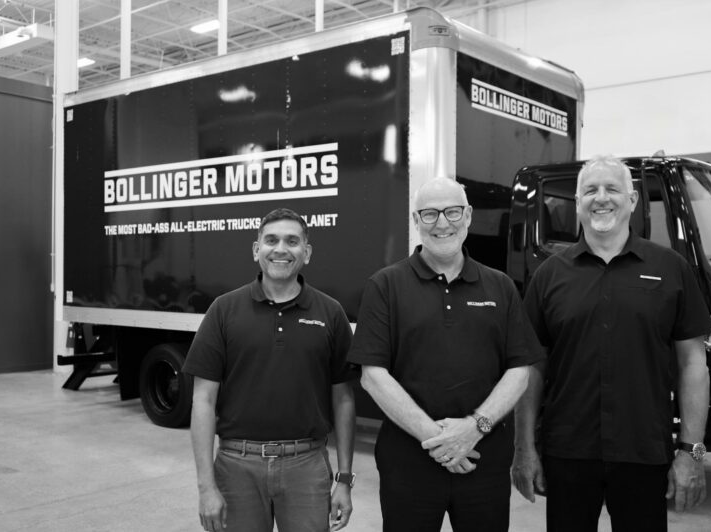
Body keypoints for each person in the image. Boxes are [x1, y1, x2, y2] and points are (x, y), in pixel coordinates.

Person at [513, 155, 711, 532]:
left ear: (633, 200)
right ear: (577, 202)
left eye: (612, 189)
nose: (601, 198)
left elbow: (693, 366)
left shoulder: (672, 269)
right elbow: (531, 367)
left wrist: (693, 453)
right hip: (567, 453)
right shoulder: (548, 276)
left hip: (644, 452)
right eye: (590, 190)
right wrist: (523, 449)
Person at [348, 177, 544, 532]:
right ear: (416, 220)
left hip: (483, 459)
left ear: (468, 216)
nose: (442, 223)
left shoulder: (499, 286)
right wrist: (439, 441)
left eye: (452, 212)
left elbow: (520, 369)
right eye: (430, 214)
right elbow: (372, 375)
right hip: (408, 462)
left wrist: (474, 428)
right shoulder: (386, 285)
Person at [183, 207, 357, 532]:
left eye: (292, 241)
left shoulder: (331, 313)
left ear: (306, 252)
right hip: (236, 465)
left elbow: (344, 400)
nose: (280, 249)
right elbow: (203, 401)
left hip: (307, 465)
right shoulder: (223, 310)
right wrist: (206, 487)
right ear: (256, 250)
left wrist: (344, 480)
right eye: (271, 240)